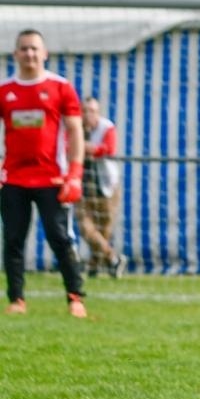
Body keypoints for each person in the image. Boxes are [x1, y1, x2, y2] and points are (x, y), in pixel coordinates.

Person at [1, 29, 87, 318]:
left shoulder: (61, 88)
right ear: (15, 54)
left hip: (52, 179)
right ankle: (17, 300)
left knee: (60, 238)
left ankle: (75, 298)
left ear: (45, 53)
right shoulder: (4, 91)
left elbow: (75, 131)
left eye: (35, 49)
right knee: (13, 240)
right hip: (12, 179)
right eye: (24, 49)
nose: (29, 54)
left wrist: (75, 172)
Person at [78, 96, 124, 279]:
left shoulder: (107, 127)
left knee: (104, 230)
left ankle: (94, 266)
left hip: (107, 187)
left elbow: (109, 149)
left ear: (98, 113)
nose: (88, 115)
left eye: (92, 111)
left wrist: (87, 148)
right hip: (83, 187)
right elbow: (67, 146)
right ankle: (113, 258)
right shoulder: (75, 128)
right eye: (85, 111)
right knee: (86, 228)